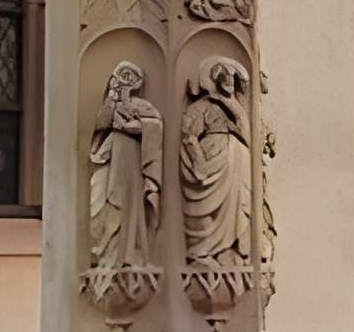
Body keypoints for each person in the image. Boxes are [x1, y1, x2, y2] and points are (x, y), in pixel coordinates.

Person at [89, 62, 162, 272]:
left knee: (129, 207)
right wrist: (112, 101)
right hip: (110, 157)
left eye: (131, 76)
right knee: (98, 202)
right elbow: (101, 125)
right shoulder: (110, 104)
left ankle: (127, 256)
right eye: (123, 75)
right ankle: (103, 253)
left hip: (131, 162)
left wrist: (128, 127)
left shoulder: (142, 105)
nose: (126, 80)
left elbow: (155, 126)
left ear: (137, 83)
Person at [179, 59, 254, 264]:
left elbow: (247, 136)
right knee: (208, 206)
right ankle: (204, 251)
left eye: (232, 77)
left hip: (238, 166)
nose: (229, 80)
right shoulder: (201, 106)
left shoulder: (235, 109)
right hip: (214, 161)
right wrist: (199, 163)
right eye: (224, 76)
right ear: (214, 80)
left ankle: (230, 251)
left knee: (238, 206)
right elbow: (188, 135)